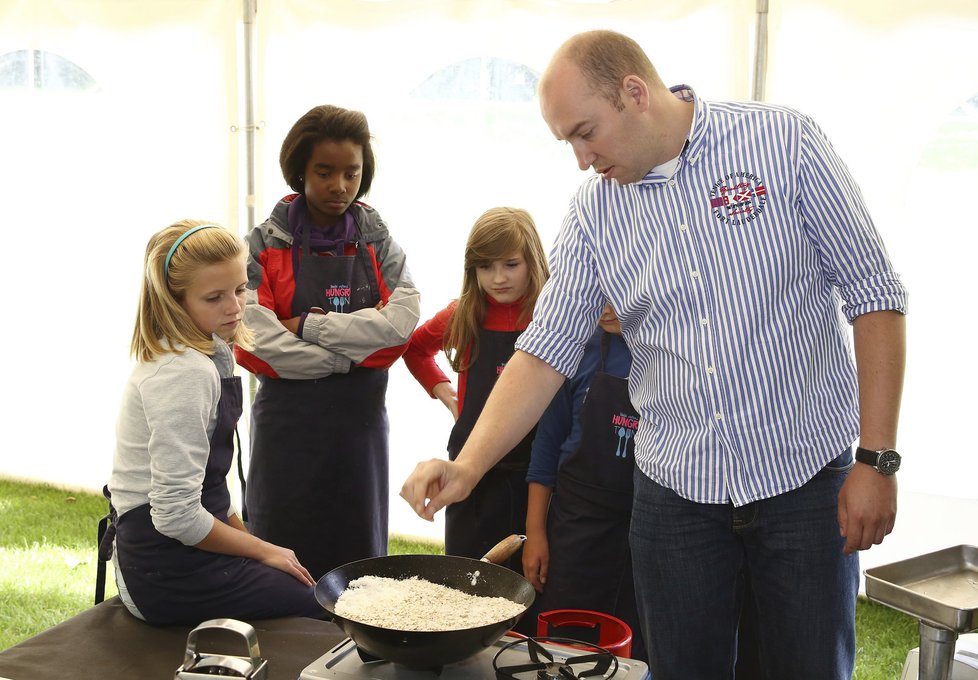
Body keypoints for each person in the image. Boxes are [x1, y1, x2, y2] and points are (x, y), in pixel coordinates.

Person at [401, 30, 907, 680]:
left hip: (804, 478)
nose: (582, 159)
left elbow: (875, 294)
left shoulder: (784, 143)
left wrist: (876, 459)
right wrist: (467, 466)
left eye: (586, 133)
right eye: (568, 142)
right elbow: (544, 352)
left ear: (635, 93)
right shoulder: (592, 215)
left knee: (808, 666)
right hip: (676, 493)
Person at [101, 220, 322, 625]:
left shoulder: (208, 353)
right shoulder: (183, 373)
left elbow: (210, 486)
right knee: (318, 608)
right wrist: (262, 551)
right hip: (164, 570)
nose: (235, 307)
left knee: (298, 580)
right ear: (174, 301)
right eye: (214, 297)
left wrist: (252, 542)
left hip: (184, 547)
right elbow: (175, 515)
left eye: (240, 289)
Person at [234, 105, 420, 580]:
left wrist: (305, 327)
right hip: (287, 432)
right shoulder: (261, 244)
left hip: (359, 430)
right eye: (325, 172)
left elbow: (398, 329)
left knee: (359, 569)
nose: (340, 185)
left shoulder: (379, 243)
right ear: (300, 170)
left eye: (351, 173)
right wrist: (350, 355)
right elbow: (254, 340)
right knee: (278, 558)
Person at [402, 207, 548, 572]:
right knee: (466, 570)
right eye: (486, 267)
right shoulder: (464, 313)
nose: (498, 278)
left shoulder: (549, 318)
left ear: (532, 259)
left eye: (510, 264)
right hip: (470, 467)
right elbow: (416, 348)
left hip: (531, 468)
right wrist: (446, 393)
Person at [522, 303, 646, 661]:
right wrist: (536, 534)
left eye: (615, 295)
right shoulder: (575, 352)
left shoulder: (670, 358)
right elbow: (545, 448)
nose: (604, 308)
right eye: (596, 294)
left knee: (638, 651)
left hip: (646, 526)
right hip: (577, 525)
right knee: (563, 647)